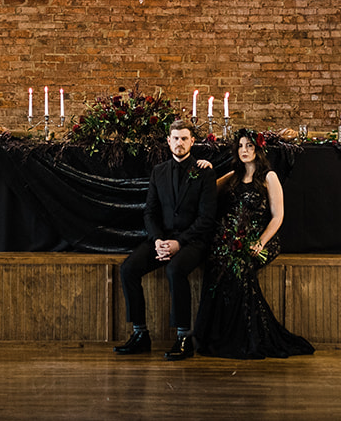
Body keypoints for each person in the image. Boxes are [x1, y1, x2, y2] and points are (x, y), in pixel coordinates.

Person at [193, 128, 315, 359]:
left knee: (239, 270)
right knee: (217, 267)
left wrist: (260, 241)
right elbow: (208, 190)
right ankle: (215, 336)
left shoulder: (269, 176)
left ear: (258, 149)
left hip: (261, 239)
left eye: (249, 146)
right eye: (240, 146)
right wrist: (207, 169)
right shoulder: (233, 176)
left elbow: (278, 216)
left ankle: (246, 337)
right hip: (232, 240)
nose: (244, 150)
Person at [115, 119, 217, 360]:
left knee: (175, 270)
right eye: (175, 138)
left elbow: (207, 218)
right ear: (168, 141)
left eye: (184, 138)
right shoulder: (158, 171)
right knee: (128, 269)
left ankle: (184, 338)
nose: (179, 143)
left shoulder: (204, 172)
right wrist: (158, 240)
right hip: (162, 240)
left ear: (192, 141)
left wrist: (179, 243)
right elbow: (149, 212)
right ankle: (140, 334)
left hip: (193, 242)